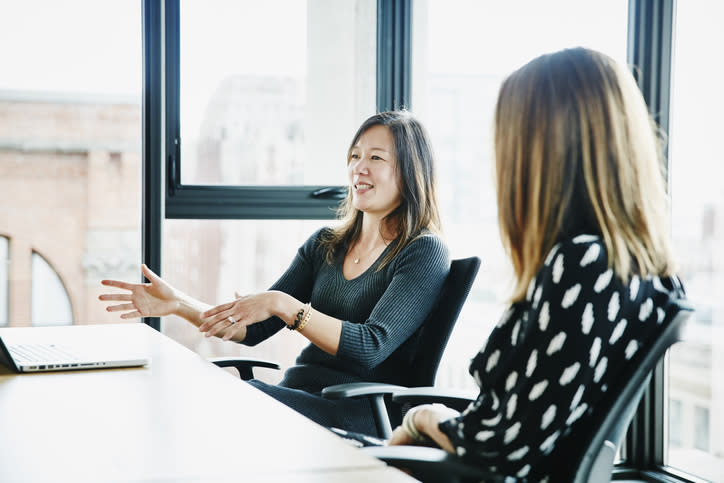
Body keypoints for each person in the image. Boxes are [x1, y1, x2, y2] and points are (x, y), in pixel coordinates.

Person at [387, 47, 685, 481]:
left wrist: (421, 418)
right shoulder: (640, 269)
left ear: (537, 151)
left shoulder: (582, 269)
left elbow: (501, 444)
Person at [99, 110, 450, 436]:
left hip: (358, 410)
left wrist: (285, 305)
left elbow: (371, 346)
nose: (359, 167)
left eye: (376, 158)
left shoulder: (423, 251)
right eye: (355, 155)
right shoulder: (326, 244)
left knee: (226, 404)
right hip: (299, 394)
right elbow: (254, 329)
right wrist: (178, 303)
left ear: (409, 171)